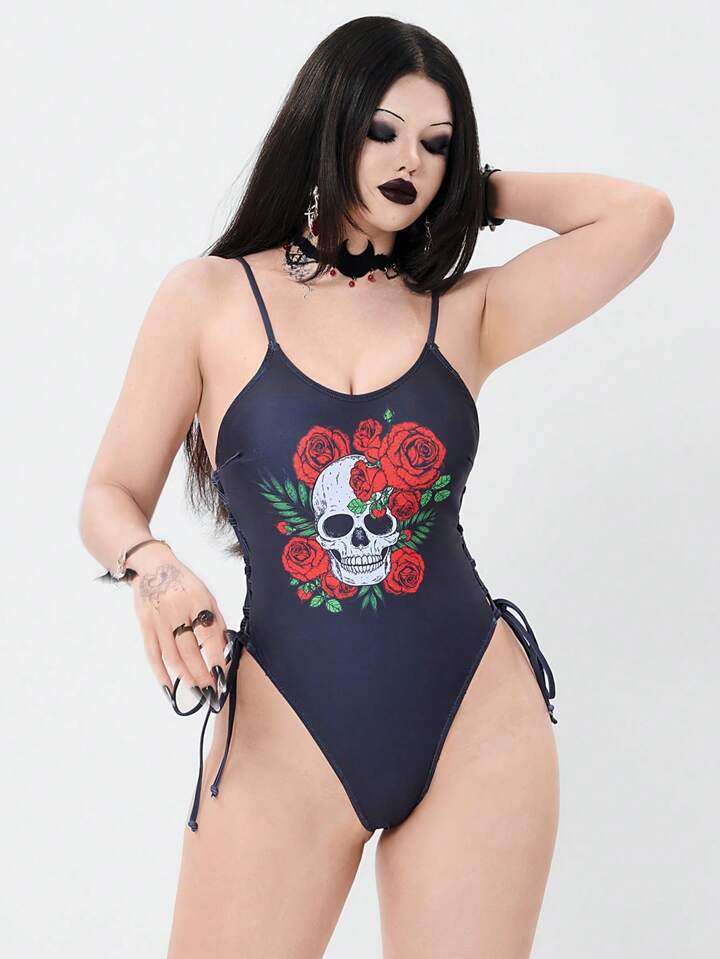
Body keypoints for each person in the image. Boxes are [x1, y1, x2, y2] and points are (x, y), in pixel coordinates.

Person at [78, 15, 674, 959]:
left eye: (436, 144)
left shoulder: (468, 311)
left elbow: (643, 216)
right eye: (384, 131)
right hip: (283, 732)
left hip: (475, 718)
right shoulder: (209, 298)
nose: (410, 162)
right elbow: (108, 492)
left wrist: (478, 187)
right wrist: (154, 568)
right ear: (330, 124)